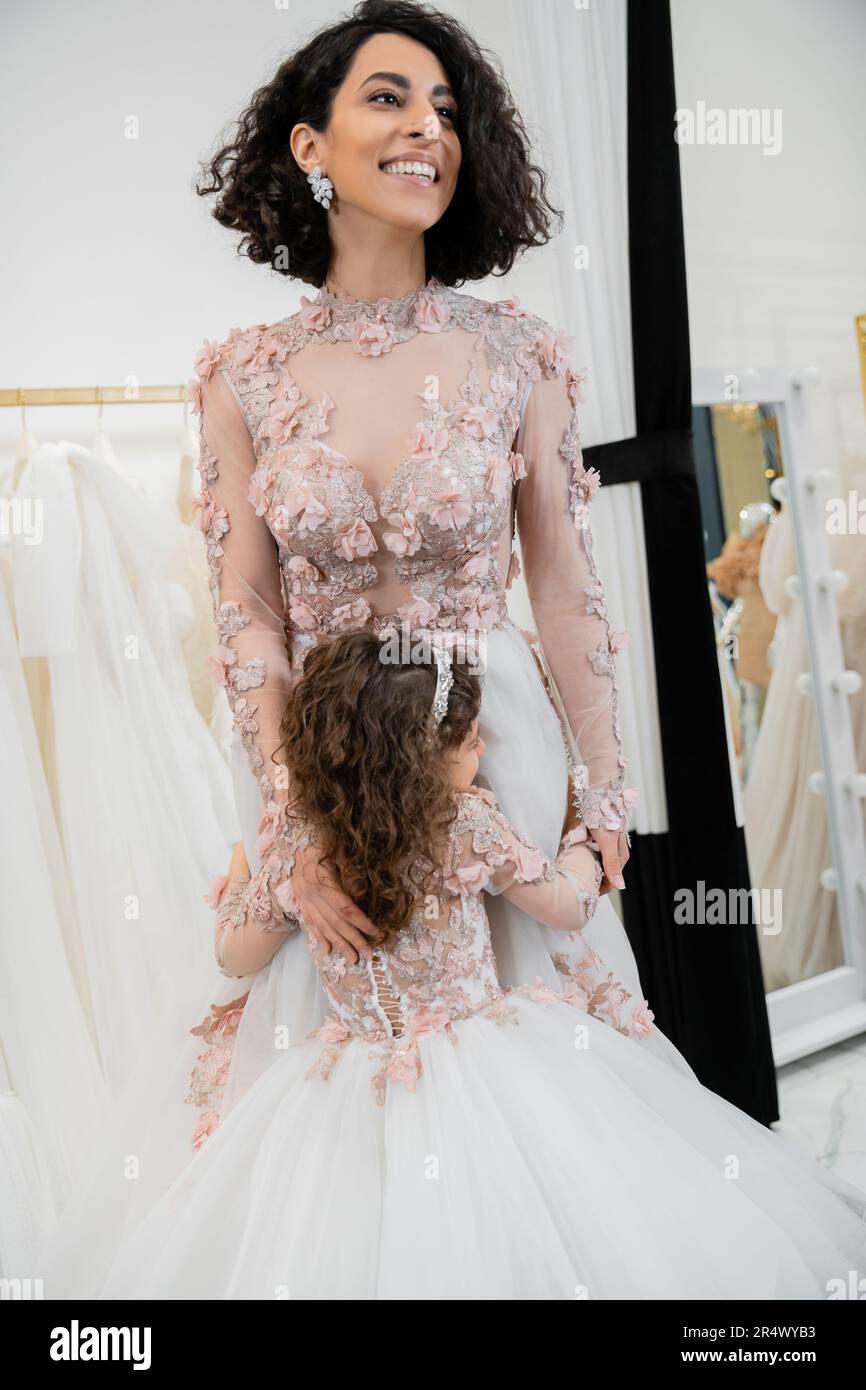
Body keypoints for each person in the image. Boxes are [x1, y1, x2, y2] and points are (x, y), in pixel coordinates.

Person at [41, 631, 866, 1300]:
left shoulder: (304, 853)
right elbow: (567, 907)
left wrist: (269, 900)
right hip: (488, 1054)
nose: (481, 752)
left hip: (340, 1077)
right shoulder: (467, 828)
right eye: (471, 739)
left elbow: (232, 953)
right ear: (419, 757)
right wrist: (585, 848)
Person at [190, 0, 645, 1068]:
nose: (425, 128)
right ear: (309, 145)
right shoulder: (242, 373)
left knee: (523, 1036)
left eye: (445, 108)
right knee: (345, 1029)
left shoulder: (518, 353)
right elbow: (246, 608)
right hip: (324, 744)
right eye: (386, 98)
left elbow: (565, 589)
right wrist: (297, 813)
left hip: (495, 740)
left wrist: (609, 796)